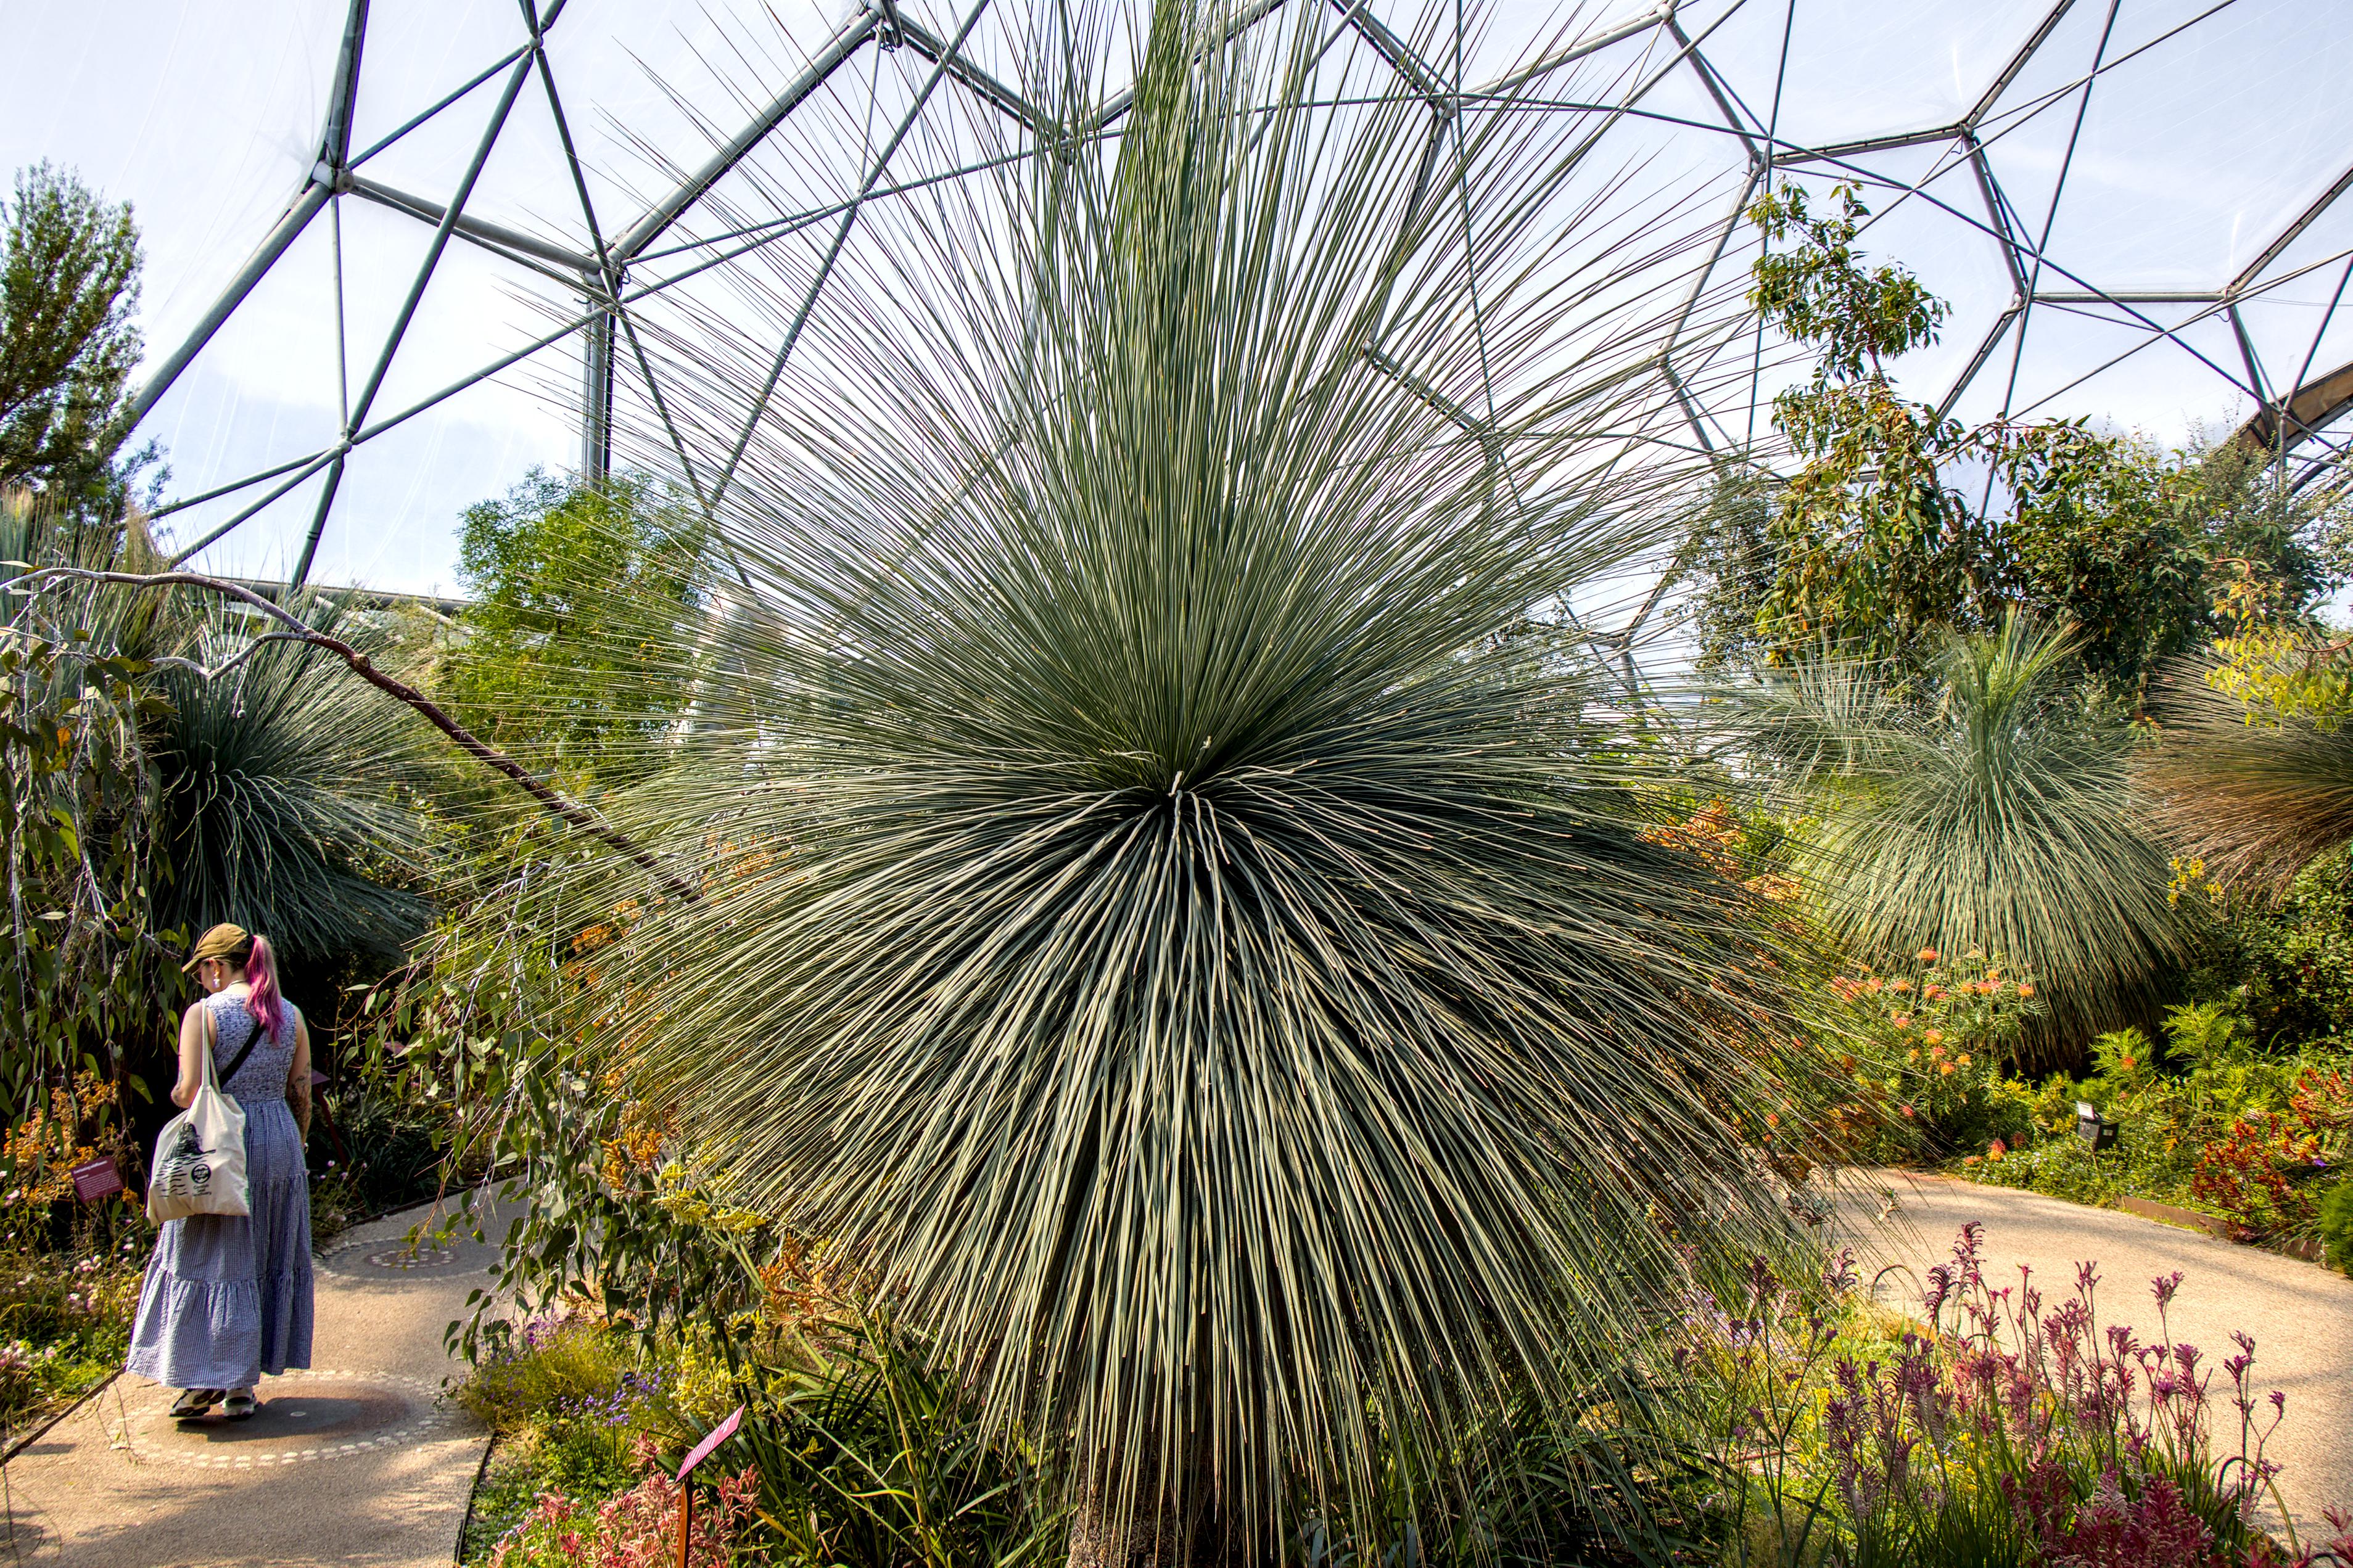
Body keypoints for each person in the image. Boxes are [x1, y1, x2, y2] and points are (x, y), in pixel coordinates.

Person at [125, 923, 315, 1420]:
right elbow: (300, 1091)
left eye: (201, 970)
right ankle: (240, 1387)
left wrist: (180, 1093)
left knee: (207, 1255)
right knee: (261, 1257)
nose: (201, 979)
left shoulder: (203, 1014)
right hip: (278, 1142)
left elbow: (188, 1092)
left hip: (222, 1144)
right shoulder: (290, 1015)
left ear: (216, 966)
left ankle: (201, 1380)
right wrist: (295, 1145)